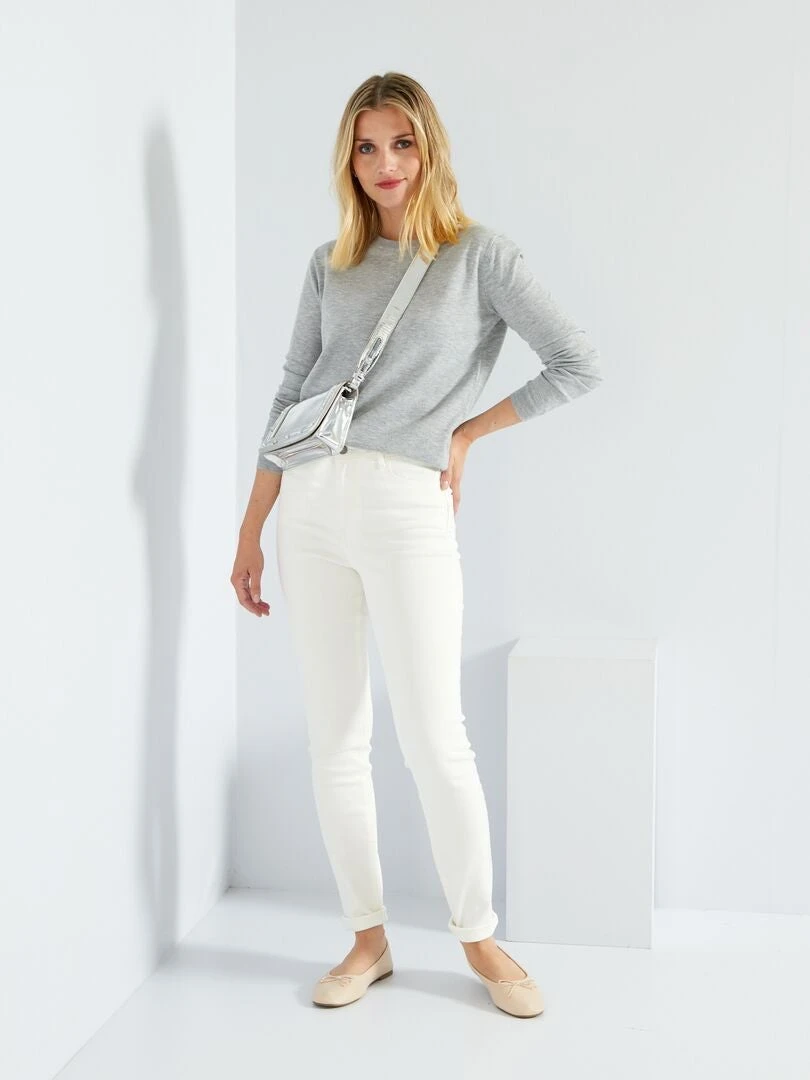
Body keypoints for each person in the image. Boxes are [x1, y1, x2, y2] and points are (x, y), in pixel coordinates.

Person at [231, 72, 603, 1018]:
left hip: (407, 506)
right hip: (310, 506)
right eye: (367, 147)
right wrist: (252, 524)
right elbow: (290, 391)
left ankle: (478, 936)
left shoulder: (480, 257)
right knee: (335, 738)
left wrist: (467, 433)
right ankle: (368, 939)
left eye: (401, 143)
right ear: (348, 160)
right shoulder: (330, 263)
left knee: (436, 735)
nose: (385, 163)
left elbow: (577, 363)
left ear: (428, 147)